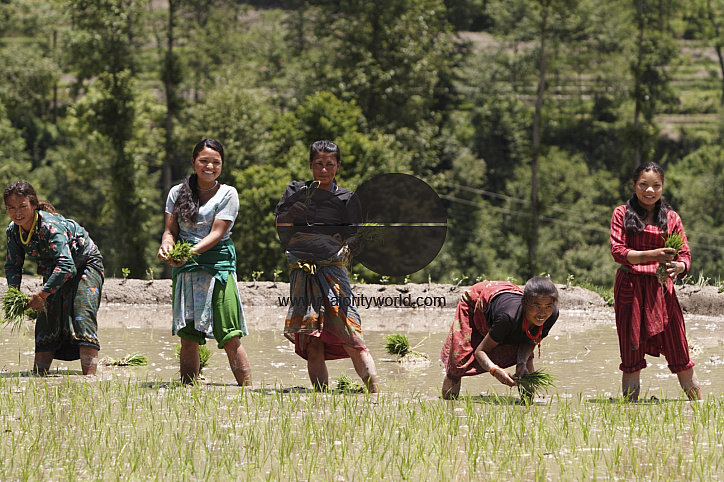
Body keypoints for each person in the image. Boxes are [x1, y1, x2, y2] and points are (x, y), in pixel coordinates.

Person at [275, 140, 379, 393]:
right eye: (319, 164)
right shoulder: (295, 191)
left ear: (338, 166)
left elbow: (358, 237)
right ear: (311, 165)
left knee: (351, 334)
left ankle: (374, 394)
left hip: (333, 274)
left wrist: (344, 246)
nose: (323, 170)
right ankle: (321, 399)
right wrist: (291, 215)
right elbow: (280, 225)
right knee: (312, 342)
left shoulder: (347, 198)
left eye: (329, 165)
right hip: (302, 272)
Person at [158, 138, 251, 386]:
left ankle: (248, 393)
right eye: (204, 161)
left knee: (230, 334)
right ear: (193, 162)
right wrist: (167, 246)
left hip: (218, 266)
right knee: (188, 336)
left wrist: (188, 252)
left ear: (222, 166)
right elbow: (170, 231)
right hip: (185, 268)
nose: (210, 166)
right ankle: (188, 390)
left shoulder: (228, 194)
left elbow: (217, 233)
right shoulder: (177, 193)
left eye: (216, 162)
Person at [610, 161, 701, 401]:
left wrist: (679, 266)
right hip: (631, 287)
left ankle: (700, 408)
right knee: (631, 355)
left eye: (655, 185)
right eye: (643, 185)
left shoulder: (671, 218)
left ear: (662, 187)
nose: (649, 191)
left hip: (662, 290)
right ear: (634, 185)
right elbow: (618, 252)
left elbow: (685, 255)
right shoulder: (621, 213)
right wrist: (653, 255)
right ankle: (630, 410)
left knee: (679, 347)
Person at [4, 181, 103, 375]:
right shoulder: (13, 232)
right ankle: (39, 376)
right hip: (55, 268)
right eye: (11, 208)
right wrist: (14, 294)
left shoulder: (49, 226)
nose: (17, 213)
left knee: (82, 313)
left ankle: (90, 380)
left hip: (84, 263)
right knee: (47, 320)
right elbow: (13, 265)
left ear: (33, 204)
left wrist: (40, 296)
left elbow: (66, 266)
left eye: (22, 206)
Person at [440, 277, 559, 400]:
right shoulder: (507, 318)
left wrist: (521, 362)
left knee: (526, 365)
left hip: (506, 300)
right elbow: (480, 351)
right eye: (536, 305)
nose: (542, 313)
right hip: (477, 300)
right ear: (524, 303)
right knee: (458, 360)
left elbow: (530, 341)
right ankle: (449, 406)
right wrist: (495, 370)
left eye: (548, 306)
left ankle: (528, 407)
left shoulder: (551, 315)